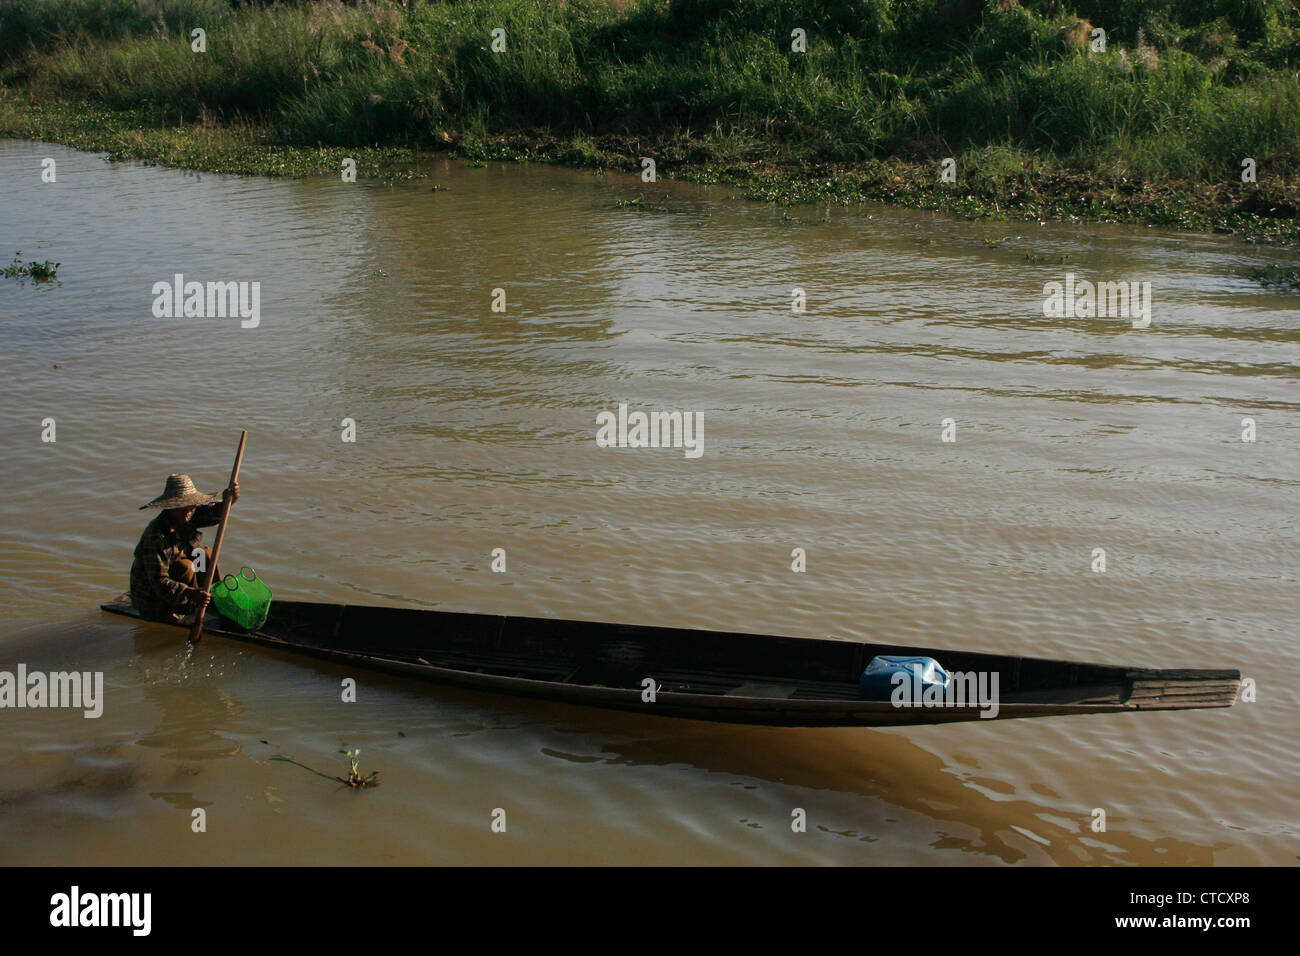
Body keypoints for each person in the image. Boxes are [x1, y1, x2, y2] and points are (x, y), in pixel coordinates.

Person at [130, 474, 240, 623]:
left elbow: (212, 512)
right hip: (152, 598)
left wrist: (228, 501)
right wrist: (190, 593)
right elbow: (159, 582)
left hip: (179, 585)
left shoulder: (187, 515)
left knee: (202, 555)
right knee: (186, 567)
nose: (190, 509)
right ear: (172, 506)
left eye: (192, 505)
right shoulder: (155, 537)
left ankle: (207, 600)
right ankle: (183, 609)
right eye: (184, 506)